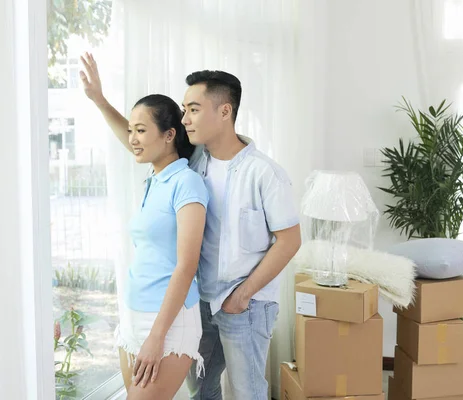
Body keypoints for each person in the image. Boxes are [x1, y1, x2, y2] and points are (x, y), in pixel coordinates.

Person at [80, 52, 301, 400]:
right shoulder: (194, 163)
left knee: (247, 393)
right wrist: (100, 101)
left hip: (246, 304)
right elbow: (143, 143)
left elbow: (289, 241)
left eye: (193, 109)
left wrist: (242, 296)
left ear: (224, 111)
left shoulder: (265, 174)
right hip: (202, 301)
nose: (185, 119)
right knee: (202, 390)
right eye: (183, 110)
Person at [80, 62, 209, 399]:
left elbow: (186, 265)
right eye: (131, 131)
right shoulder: (155, 177)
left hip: (168, 321)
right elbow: (134, 141)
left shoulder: (187, 183)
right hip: (134, 311)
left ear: (169, 135)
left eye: (141, 130)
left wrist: (156, 335)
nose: (133, 139)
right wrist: (99, 99)